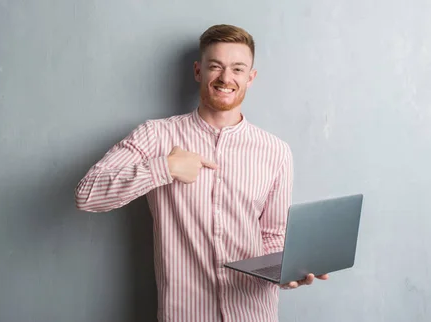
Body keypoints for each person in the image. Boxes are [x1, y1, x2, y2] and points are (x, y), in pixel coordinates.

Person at [74, 24, 328, 322]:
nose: (225, 78)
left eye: (237, 69)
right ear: (198, 71)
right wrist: (164, 167)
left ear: (250, 77)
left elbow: (272, 236)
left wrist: (285, 272)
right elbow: (87, 194)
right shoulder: (156, 136)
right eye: (215, 67)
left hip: (253, 313)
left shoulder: (276, 151)